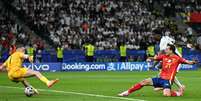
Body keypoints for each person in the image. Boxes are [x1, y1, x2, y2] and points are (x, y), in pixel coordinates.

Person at [118, 44, 196, 97]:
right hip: (160, 78)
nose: (165, 50)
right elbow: (155, 58)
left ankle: (179, 93)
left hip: (168, 80)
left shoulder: (177, 58)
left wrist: (192, 62)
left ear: (171, 50)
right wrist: (149, 58)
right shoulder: (164, 56)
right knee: (144, 82)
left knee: (166, 95)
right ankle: (127, 92)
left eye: (167, 49)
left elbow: (187, 61)